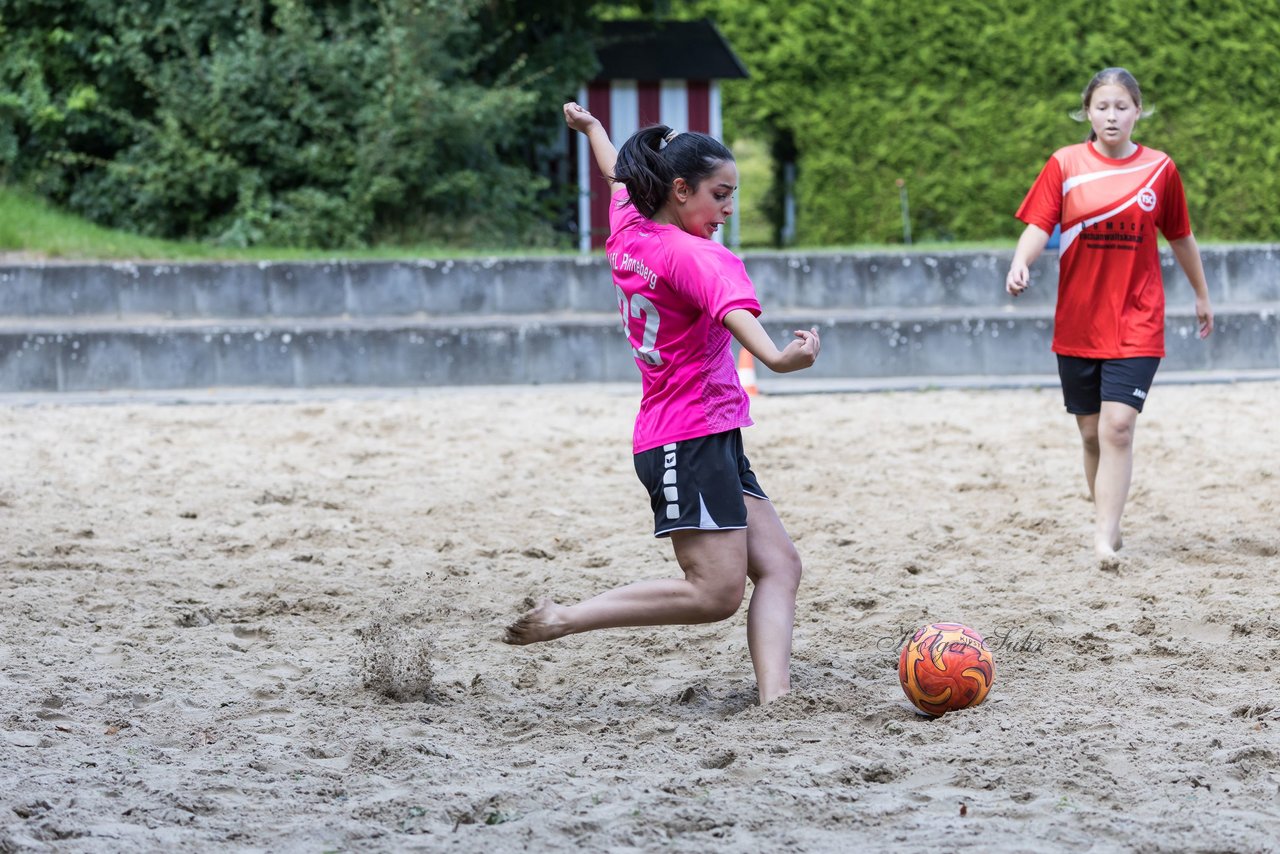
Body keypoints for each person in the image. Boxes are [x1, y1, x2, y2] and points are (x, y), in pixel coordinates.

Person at [503, 102, 822, 705]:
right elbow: (733, 313)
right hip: (685, 437)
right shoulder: (693, 254)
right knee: (714, 594)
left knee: (780, 564)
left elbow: (618, 179)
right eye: (720, 195)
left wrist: (595, 130)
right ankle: (564, 618)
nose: (729, 209)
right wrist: (779, 360)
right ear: (679, 189)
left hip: (707, 432)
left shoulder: (631, 228)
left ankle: (776, 703)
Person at [1005, 67, 1214, 563]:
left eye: (1122, 106)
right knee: (1090, 433)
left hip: (1138, 318)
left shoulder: (1160, 169)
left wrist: (1201, 294)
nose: (1112, 116)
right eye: (1103, 107)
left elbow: (1180, 235)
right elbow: (1039, 224)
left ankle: (1104, 536)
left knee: (1117, 427)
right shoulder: (1065, 163)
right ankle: (1108, 521)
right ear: (1088, 113)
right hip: (1079, 320)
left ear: (1138, 111)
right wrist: (1020, 260)